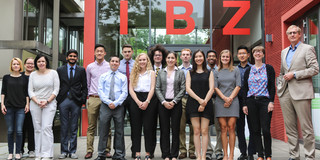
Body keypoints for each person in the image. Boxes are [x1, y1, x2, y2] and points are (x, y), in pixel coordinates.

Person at [277, 25, 319, 160]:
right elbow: (282, 72)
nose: (292, 35)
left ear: (300, 34)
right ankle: (294, 156)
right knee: (290, 128)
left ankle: (309, 156)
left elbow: (314, 69)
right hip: (285, 93)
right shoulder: (284, 52)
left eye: (295, 32)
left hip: (301, 92)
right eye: (290, 33)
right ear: (287, 35)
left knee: (306, 128)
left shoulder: (307, 49)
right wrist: (280, 88)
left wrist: (294, 74)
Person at [242, 46, 275, 160]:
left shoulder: (269, 68)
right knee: (254, 130)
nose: (257, 53)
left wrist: (271, 101)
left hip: (265, 101)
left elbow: (272, 86)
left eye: (260, 51)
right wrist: (244, 104)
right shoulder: (248, 70)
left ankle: (268, 155)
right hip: (251, 101)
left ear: (263, 54)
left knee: (265, 129)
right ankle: (260, 155)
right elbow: (245, 88)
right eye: (255, 52)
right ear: (252, 54)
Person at [95, 56, 128, 160]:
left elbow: (125, 92)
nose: (114, 63)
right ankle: (101, 154)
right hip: (106, 105)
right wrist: (109, 102)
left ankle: (119, 154)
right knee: (103, 130)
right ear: (109, 63)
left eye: (116, 61)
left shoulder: (123, 77)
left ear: (119, 64)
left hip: (118, 106)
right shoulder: (103, 76)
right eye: (112, 61)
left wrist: (116, 103)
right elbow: (100, 91)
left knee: (119, 131)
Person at [57, 49, 88, 159]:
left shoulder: (81, 70)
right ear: (67, 58)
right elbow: (57, 85)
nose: (72, 58)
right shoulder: (60, 70)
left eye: (74, 56)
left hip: (76, 101)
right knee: (64, 127)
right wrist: (58, 100)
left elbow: (85, 86)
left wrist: (82, 100)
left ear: (77, 58)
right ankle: (64, 151)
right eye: (70, 56)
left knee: (74, 127)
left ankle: (73, 151)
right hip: (63, 100)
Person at [28, 55, 60, 160]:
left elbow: (56, 89)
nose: (41, 63)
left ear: (46, 62)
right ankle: (39, 153)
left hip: (49, 103)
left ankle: (47, 154)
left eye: (43, 61)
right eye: (39, 61)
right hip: (35, 103)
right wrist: (37, 102)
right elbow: (30, 91)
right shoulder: (33, 74)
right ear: (36, 63)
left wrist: (47, 101)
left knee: (46, 127)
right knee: (37, 129)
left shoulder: (53, 73)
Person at [155, 51, 186, 160]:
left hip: (176, 104)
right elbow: (157, 88)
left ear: (176, 60)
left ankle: (174, 155)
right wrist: (163, 101)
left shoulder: (180, 72)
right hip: (163, 104)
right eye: (168, 58)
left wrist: (174, 101)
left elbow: (183, 88)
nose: (170, 60)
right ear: (166, 59)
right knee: (164, 130)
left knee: (175, 129)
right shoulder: (161, 72)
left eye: (172, 58)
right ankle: (166, 154)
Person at [186, 50, 214, 160]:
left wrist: (204, 102)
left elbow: (212, 89)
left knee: (204, 131)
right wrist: (199, 100)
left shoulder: (209, 72)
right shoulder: (190, 73)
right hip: (193, 103)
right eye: (196, 56)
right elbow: (188, 88)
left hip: (206, 103)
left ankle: (204, 155)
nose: (198, 58)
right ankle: (198, 155)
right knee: (196, 131)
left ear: (204, 58)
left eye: (200, 56)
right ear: (194, 59)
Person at [85, 44, 112, 159]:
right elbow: (88, 83)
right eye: (97, 51)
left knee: (107, 126)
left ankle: (106, 150)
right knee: (91, 126)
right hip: (93, 98)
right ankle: (89, 150)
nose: (99, 53)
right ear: (95, 53)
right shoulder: (90, 67)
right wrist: (89, 97)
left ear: (105, 53)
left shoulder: (109, 66)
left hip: (106, 99)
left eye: (101, 51)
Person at [129, 53, 157, 160]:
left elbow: (152, 88)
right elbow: (131, 89)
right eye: (140, 60)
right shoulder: (133, 73)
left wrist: (147, 101)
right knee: (136, 128)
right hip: (135, 99)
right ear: (137, 61)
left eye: (144, 60)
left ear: (147, 61)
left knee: (148, 128)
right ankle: (136, 153)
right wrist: (137, 101)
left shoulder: (152, 73)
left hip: (149, 100)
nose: (142, 62)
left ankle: (148, 153)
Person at [214, 50, 241, 160]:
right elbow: (215, 87)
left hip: (233, 101)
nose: (225, 58)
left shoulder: (236, 70)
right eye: (223, 56)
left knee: (231, 127)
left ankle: (231, 155)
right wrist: (224, 98)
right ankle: (225, 154)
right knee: (223, 128)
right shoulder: (216, 71)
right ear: (220, 58)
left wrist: (230, 98)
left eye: (227, 57)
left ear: (230, 58)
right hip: (220, 101)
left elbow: (238, 85)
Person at [1, 57, 29, 160]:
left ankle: (18, 152)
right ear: (11, 66)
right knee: (10, 131)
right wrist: (2, 104)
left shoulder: (24, 78)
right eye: (14, 64)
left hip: (21, 108)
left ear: (20, 65)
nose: (16, 66)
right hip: (9, 107)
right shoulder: (6, 77)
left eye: (17, 64)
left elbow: (26, 93)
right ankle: (10, 153)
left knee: (19, 131)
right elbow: (3, 91)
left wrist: (27, 104)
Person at [236, 45, 255, 160]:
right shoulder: (234, 69)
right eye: (239, 54)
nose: (242, 55)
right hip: (237, 100)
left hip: (250, 99)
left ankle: (251, 152)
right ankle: (243, 152)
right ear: (237, 56)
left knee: (253, 127)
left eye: (244, 53)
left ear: (248, 55)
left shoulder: (253, 68)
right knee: (240, 128)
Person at [178, 48, 196, 159]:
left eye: (187, 55)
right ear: (180, 57)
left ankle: (192, 151)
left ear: (190, 57)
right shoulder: (177, 69)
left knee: (194, 127)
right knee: (181, 126)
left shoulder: (195, 69)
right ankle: (183, 150)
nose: (185, 56)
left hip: (192, 99)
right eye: (183, 54)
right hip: (181, 99)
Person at [206, 50, 223, 160]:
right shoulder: (203, 70)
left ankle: (218, 150)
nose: (211, 58)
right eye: (209, 56)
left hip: (218, 100)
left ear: (216, 58)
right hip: (206, 101)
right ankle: (208, 150)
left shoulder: (220, 70)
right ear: (207, 58)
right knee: (206, 127)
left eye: (213, 56)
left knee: (219, 127)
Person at [21, 57, 35, 158]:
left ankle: (31, 150)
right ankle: (20, 150)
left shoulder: (36, 76)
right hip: (20, 105)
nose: (30, 65)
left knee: (32, 128)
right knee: (20, 128)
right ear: (25, 64)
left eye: (32, 64)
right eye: (28, 63)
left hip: (34, 105)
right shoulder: (20, 76)